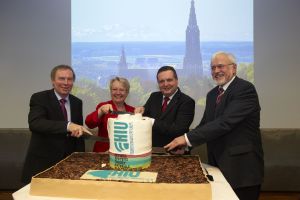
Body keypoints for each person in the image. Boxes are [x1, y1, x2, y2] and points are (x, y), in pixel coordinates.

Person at [165, 52, 264, 200]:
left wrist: (186, 138)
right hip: (217, 168)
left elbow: (225, 123)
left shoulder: (245, 89)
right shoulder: (212, 94)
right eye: (213, 68)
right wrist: (186, 147)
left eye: (220, 66)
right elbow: (206, 124)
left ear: (234, 68)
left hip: (242, 170)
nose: (216, 71)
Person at [22, 65, 90, 184]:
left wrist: (80, 159)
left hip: (69, 165)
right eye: (61, 78)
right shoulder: (39, 98)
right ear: (53, 81)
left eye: (69, 79)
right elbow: (35, 123)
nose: (66, 82)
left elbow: (77, 134)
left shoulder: (77, 102)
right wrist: (68, 126)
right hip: (43, 164)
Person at [135, 66, 195, 148]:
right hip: (152, 150)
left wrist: (152, 121)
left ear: (177, 81)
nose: (165, 84)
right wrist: (141, 110)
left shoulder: (187, 102)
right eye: (161, 81)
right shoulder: (154, 96)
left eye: (169, 80)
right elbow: (144, 114)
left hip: (175, 153)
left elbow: (178, 130)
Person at [85, 77, 134, 152]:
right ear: (110, 91)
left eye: (121, 90)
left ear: (127, 92)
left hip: (126, 153)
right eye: (114, 89)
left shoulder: (132, 110)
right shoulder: (103, 106)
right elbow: (89, 123)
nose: (118, 92)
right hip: (103, 153)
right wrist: (100, 111)